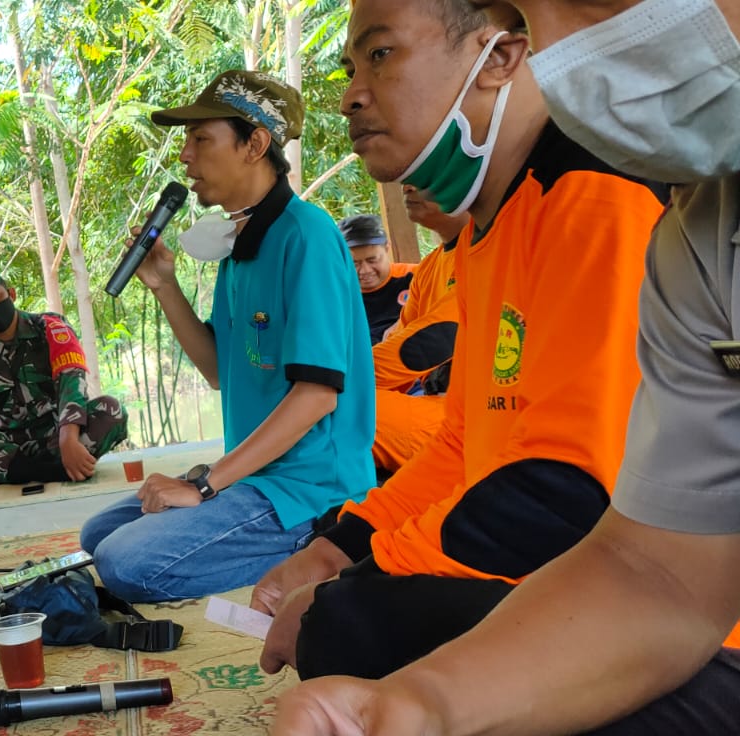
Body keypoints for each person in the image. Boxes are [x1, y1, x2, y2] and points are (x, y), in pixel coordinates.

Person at [272, 0, 740, 733]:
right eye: (350, 66)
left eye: (381, 55)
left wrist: (371, 572)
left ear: (498, 58)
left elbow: (567, 493)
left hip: (696, 628)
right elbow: (655, 572)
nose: (351, 93)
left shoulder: (595, 197)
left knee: (352, 623)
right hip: (656, 590)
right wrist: (346, 548)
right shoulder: (699, 238)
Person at [79, 70, 376, 603]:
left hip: (309, 489)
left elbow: (317, 394)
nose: (186, 156)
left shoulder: (305, 235)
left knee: (127, 561)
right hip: (254, 475)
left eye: (201, 139)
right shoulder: (240, 247)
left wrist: (205, 483)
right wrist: (165, 285)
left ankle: (319, 545)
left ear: (255, 143)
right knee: (97, 536)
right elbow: (221, 370)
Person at [0, 267, 128, 494]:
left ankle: (9, 475)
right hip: (9, 446)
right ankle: (52, 470)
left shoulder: (50, 327)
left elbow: (71, 379)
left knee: (112, 410)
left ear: (11, 294)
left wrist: (68, 436)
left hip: (58, 434)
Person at [370, 186, 468, 475]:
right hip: (434, 403)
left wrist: (334, 380)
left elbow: (432, 341)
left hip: (477, 416)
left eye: (424, 171)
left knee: (335, 409)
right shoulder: (429, 267)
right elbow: (401, 337)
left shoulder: (487, 250)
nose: (407, 185)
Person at [342, 214, 415, 344]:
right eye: (355, 263)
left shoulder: (418, 277)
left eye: (372, 260)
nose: (365, 270)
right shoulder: (335, 294)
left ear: (387, 248)